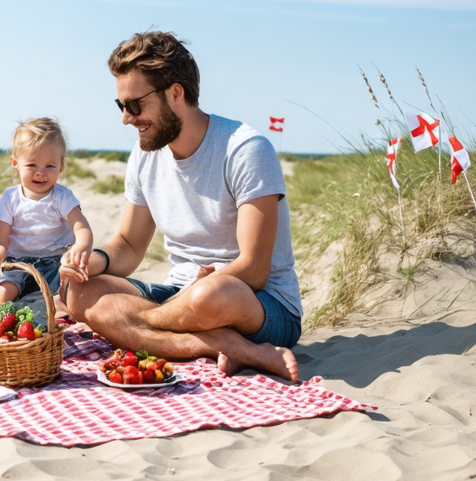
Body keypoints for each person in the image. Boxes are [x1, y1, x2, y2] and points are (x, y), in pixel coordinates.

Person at [64, 31, 303, 381]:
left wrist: (148, 315)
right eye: (121, 106)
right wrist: (92, 262)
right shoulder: (144, 154)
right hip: (182, 295)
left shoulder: (246, 149)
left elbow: (254, 270)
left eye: (134, 105)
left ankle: (160, 330)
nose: (126, 118)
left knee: (208, 296)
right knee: (80, 293)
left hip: (256, 302)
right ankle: (219, 345)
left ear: (176, 93)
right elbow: (129, 244)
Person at [0, 118, 94, 307]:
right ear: (16, 164)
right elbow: (1, 237)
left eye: (49, 166)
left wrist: (81, 245)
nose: (40, 173)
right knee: (4, 289)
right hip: (18, 264)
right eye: (32, 165)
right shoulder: (10, 197)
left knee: (69, 287)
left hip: (55, 263)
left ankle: (59, 309)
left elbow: (81, 227)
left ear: (61, 166)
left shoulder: (62, 196)